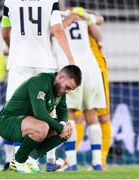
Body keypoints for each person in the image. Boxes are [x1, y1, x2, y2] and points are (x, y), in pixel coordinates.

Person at [1, 0, 75, 172]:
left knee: (18, 112)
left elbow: (5, 32)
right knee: (51, 112)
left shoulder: (9, 1)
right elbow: (57, 29)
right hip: (44, 61)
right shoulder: (51, 1)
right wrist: (70, 59)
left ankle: (19, 161)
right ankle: (50, 160)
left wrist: (15, 48)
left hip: (19, 63)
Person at [47, 2, 107, 171]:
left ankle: (72, 163)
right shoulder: (79, 14)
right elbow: (100, 23)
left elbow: (52, 33)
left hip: (70, 68)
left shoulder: (53, 17)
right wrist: (85, 15)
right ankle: (97, 163)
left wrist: (73, 17)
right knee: (91, 114)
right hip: (91, 68)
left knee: (70, 115)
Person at [0, 65, 82, 173]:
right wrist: (60, 128)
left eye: (71, 89)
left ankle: (31, 158)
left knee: (69, 128)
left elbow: (63, 110)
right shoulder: (40, 82)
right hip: (8, 121)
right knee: (42, 127)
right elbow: (40, 114)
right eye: (68, 87)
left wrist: (63, 124)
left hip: (27, 122)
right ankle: (18, 161)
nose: (67, 91)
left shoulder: (60, 89)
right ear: (61, 77)